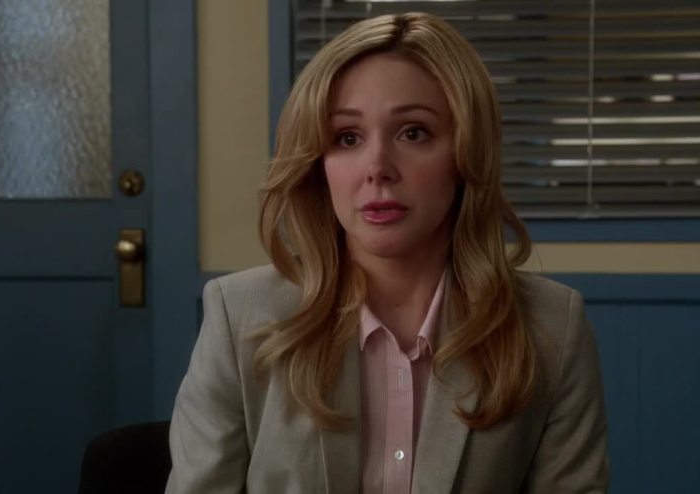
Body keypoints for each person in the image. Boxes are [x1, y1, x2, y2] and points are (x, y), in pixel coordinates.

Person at [166, 12, 609, 494]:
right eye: (348, 138)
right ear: (318, 164)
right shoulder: (239, 317)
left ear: (466, 154)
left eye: (413, 132)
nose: (377, 167)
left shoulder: (552, 327)